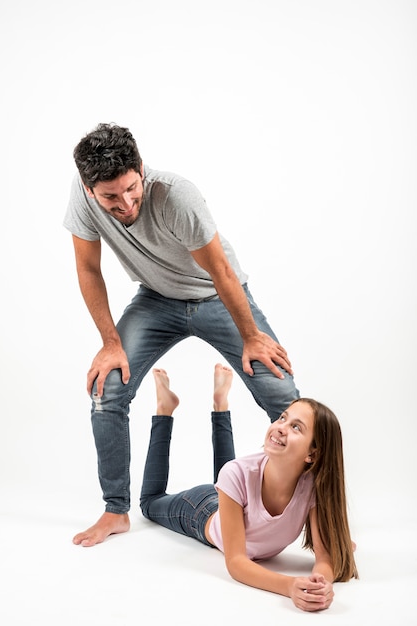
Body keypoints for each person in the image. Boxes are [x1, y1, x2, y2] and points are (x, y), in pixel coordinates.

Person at [64, 123, 299, 547]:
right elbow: (87, 268)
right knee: (108, 387)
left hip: (217, 296)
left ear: (140, 169)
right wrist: (110, 344)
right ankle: (116, 510)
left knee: (285, 396)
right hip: (155, 300)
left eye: (132, 188)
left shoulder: (176, 194)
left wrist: (251, 336)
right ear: (88, 188)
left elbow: (221, 271)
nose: (126, 202)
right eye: (111, 197)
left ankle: (319, 516)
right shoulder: (83, 198)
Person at [140, 364, 358, 613]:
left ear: (313, 454)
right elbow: (236, 562)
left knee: (229, 475)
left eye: (296, 427)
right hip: (199, 512)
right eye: (283, 418)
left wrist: (321, 585)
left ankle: (220, 401)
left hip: (232, 497)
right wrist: (290, 586)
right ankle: (165, 410)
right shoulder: (237, 473)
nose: (281, 426)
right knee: (150, 502)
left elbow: (324, 557)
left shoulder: (311, 488)